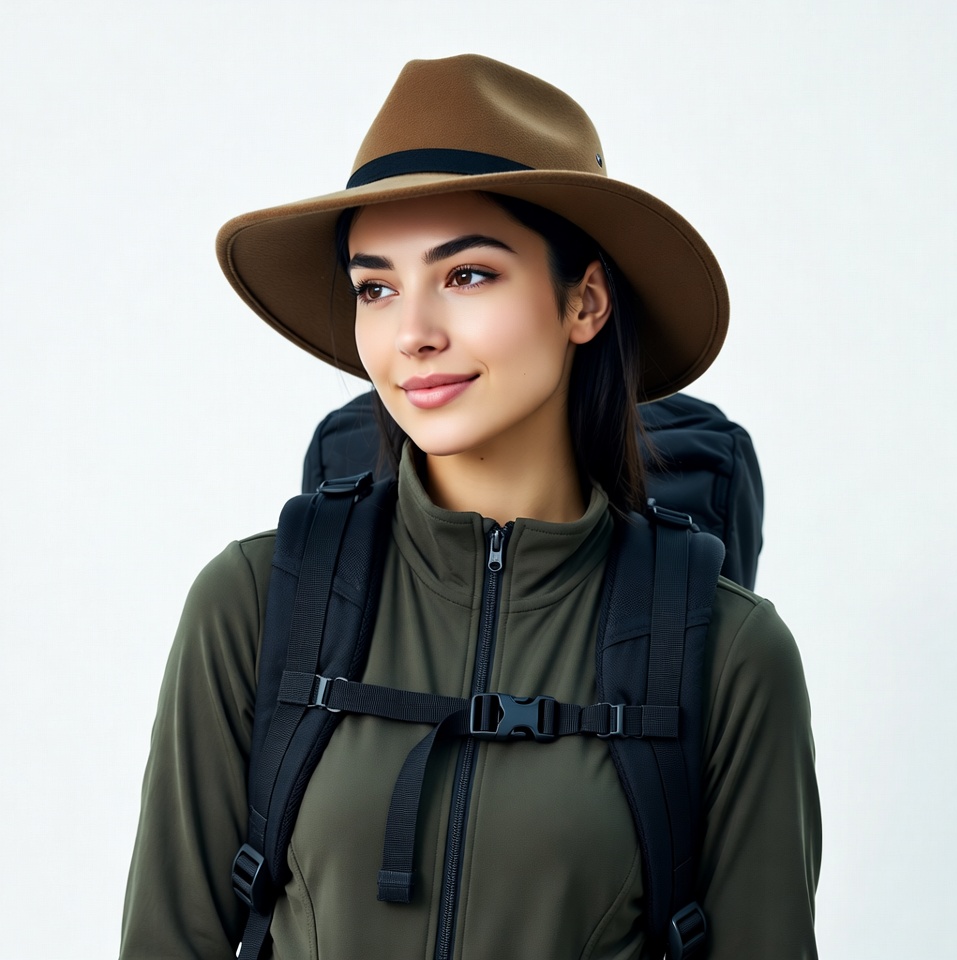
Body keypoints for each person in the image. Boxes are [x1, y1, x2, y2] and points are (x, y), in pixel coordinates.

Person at [120, 54, 820, 959]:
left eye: (468, 275)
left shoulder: (730, 653)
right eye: (376, 287)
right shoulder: (252, 604)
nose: (411, 333)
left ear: (585, 301)